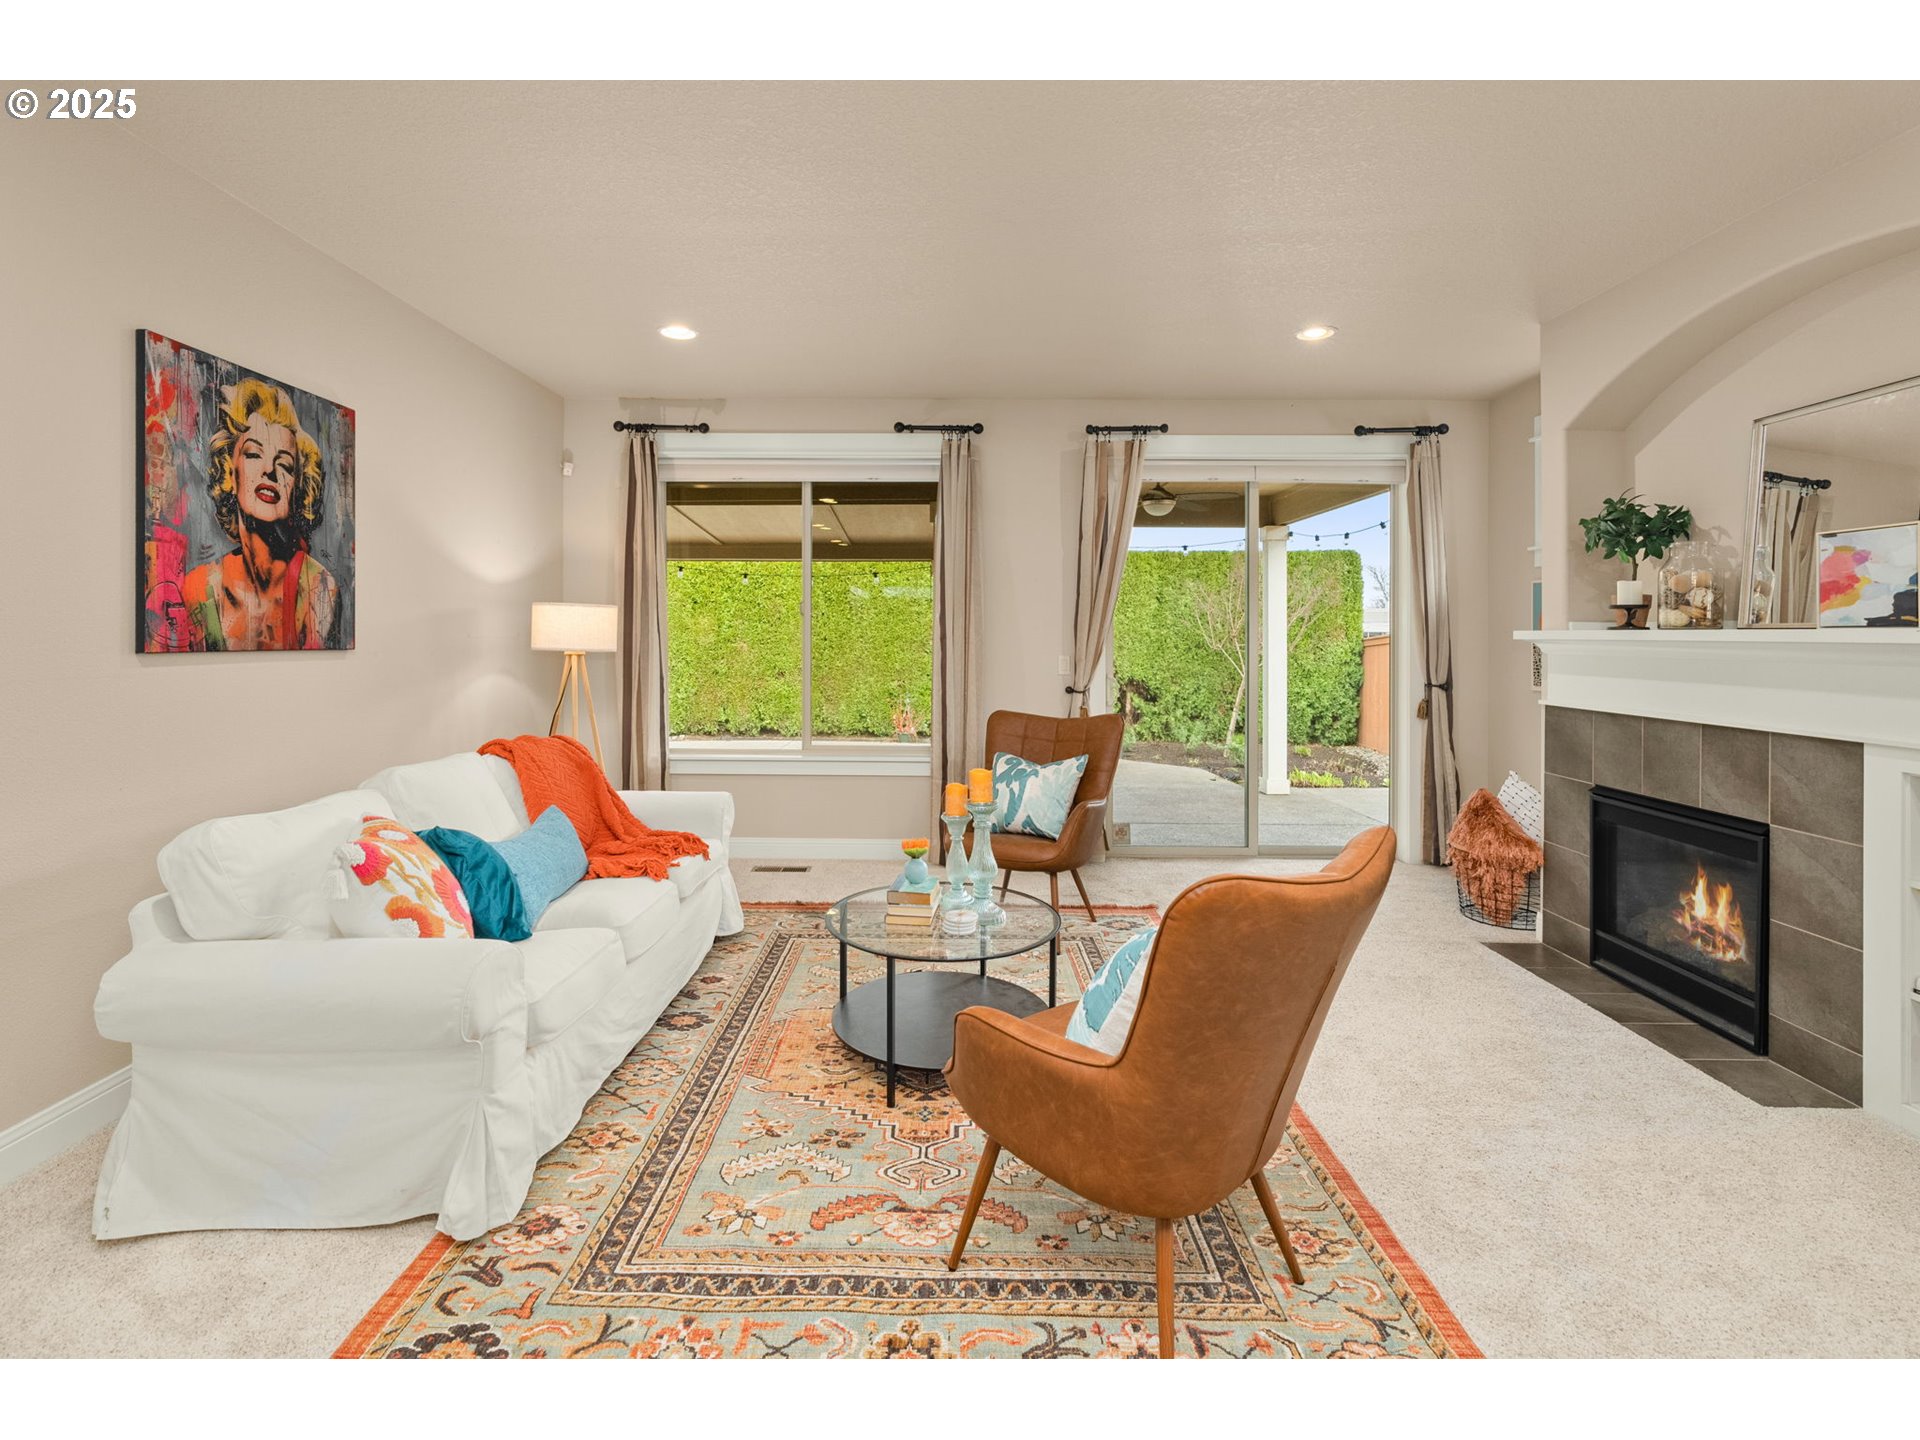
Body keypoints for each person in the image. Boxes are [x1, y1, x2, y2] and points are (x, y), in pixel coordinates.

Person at [182, 378, 341, 650]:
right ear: (230, 472)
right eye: (254, 454)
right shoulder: (199, 588)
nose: (269, 469)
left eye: (285, 465)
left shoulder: (319, 587)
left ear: (297, 488)